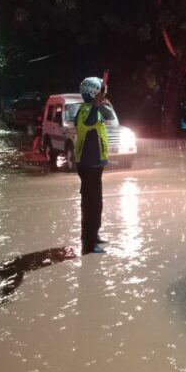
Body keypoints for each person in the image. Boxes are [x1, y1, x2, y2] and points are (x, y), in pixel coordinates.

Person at [75, 76, 110, 254]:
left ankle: (93, 235)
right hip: (87, 165)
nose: (103, 96)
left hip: (96, 165)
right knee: (90, 205)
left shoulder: (94, 109)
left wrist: (98, 104)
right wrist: (96, 104)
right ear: (92, 92)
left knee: (97, 203)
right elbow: (88, 122)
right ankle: (88, 245)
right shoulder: (84, 110)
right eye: (100, 93)